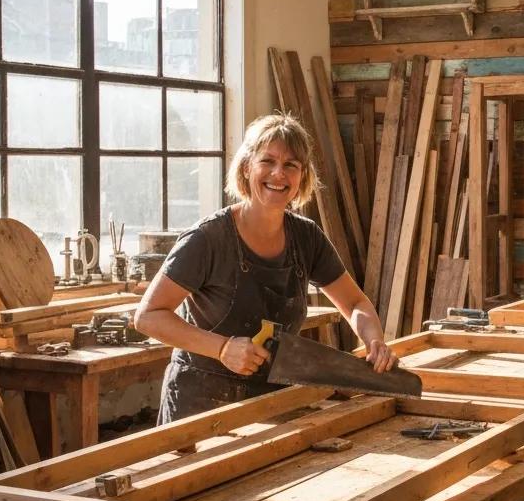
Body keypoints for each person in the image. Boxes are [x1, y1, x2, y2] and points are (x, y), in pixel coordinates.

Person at [135, 112, 398, 426]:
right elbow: (148, 316)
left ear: (303, 176)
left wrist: (375, 342)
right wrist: (222, 349)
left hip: (273, 402)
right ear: (247, 167)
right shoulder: (207, 239)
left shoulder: (307, 237)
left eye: (291, 165)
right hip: (201, 406)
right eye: (267, 161)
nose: (278, 174)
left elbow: (355, 304)